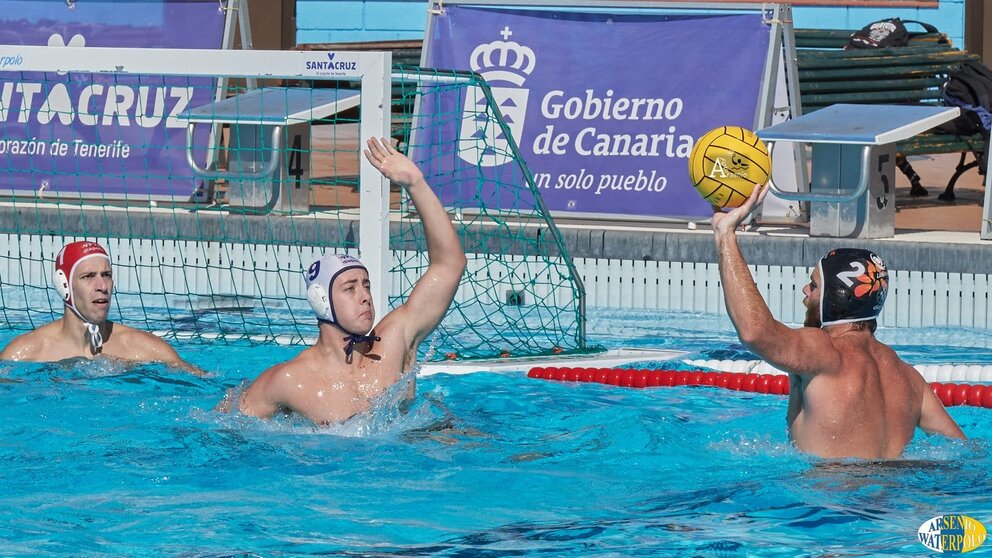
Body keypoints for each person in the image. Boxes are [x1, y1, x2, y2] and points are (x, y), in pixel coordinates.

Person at [712, 183, 965, 459]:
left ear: (836, 297)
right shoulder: (909, 378)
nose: (805, 292)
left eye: (814, 286)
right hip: (890, 497)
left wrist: (725, 234)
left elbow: (755, 332)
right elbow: (962, 449)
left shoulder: (824, 352)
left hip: (830, 498)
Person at [236, 137, 467, 425]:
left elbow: (449, 265)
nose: (365, 296)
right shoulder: (290, 380)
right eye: (350, 288)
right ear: (322, 300)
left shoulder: (394, 341)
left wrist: (415, 183)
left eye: (366, 285)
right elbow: (221, 429)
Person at [0, 240, 202, 374]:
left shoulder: (146, 348)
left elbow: (207, 385)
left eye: (106, 275)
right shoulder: (26, 353)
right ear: (64, 286)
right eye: (88, 277)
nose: (102, 286)